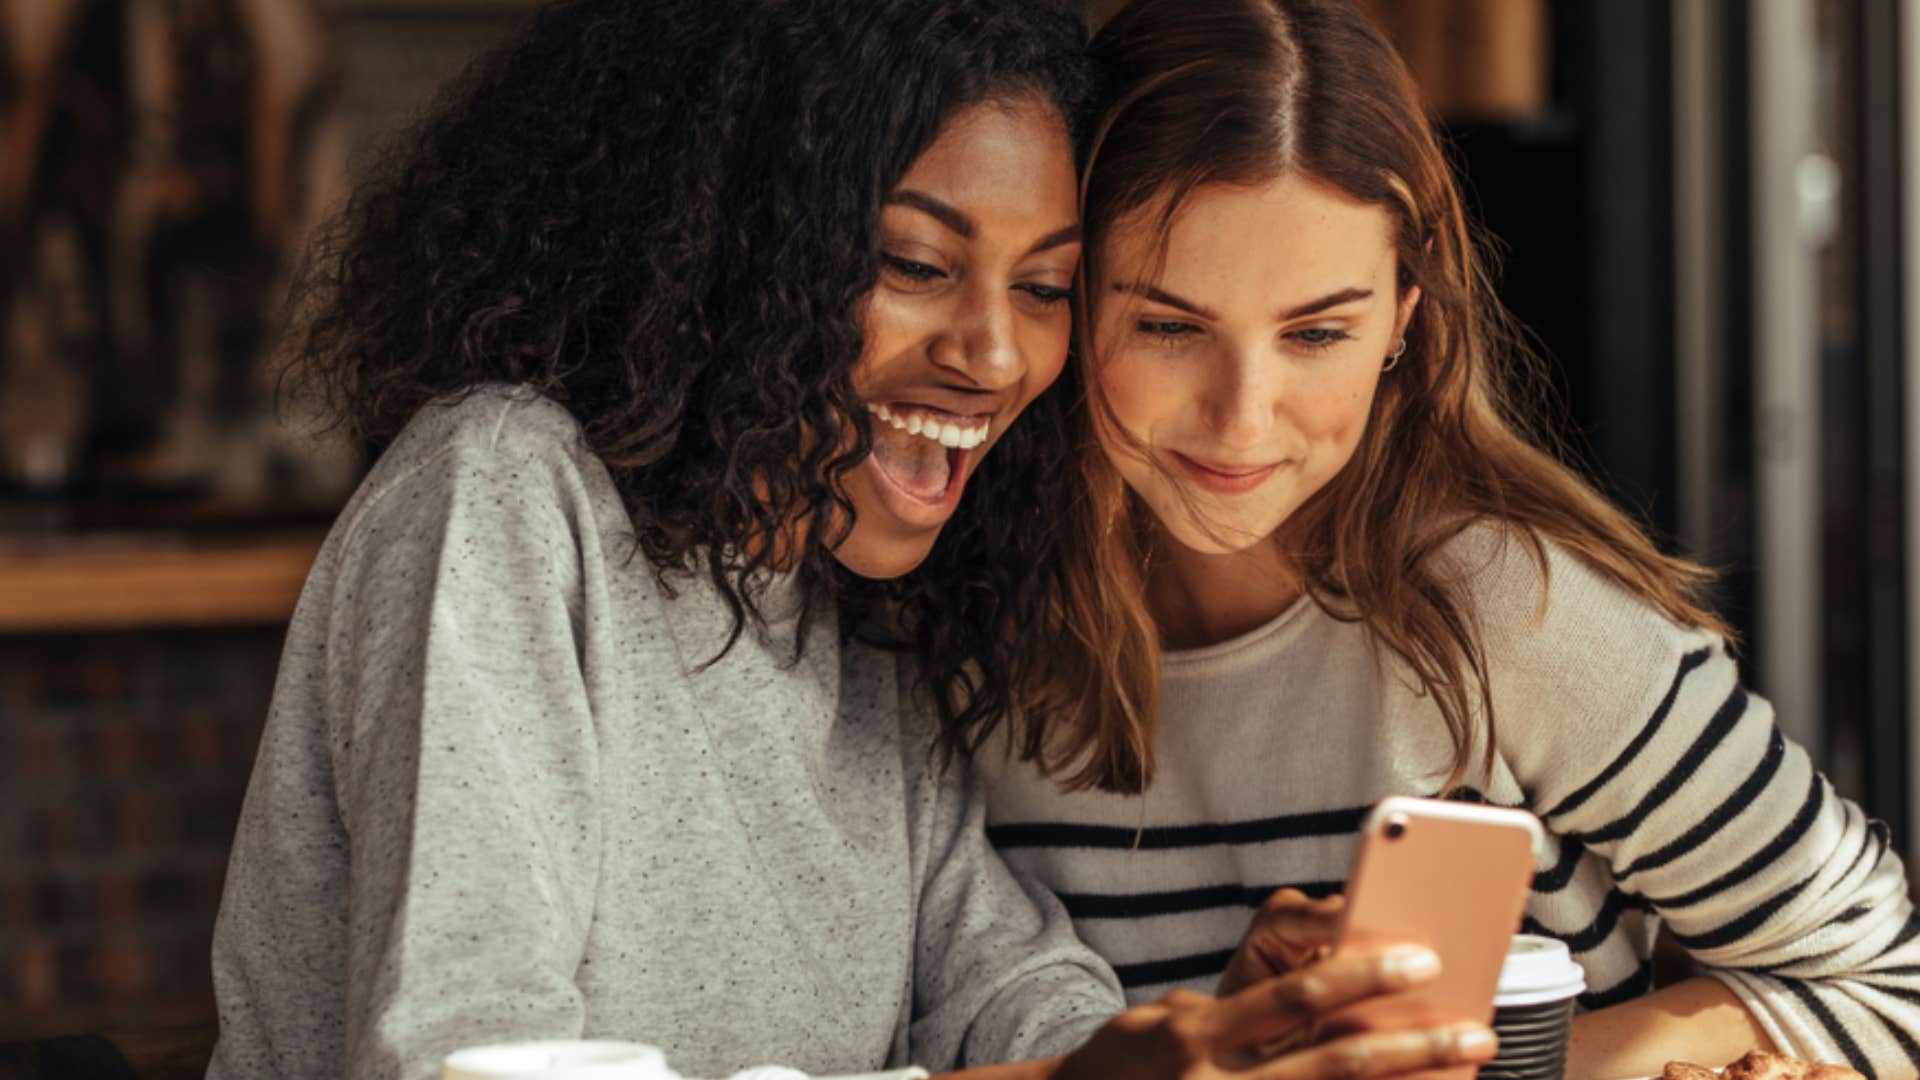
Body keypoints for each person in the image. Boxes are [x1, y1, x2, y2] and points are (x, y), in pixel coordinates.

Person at [206, 1, 1498, 1078]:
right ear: (722, 243)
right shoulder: (505, 495)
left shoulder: (860, 598)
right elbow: (465, 1055)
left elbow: (1008, 990)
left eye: (1045, 287)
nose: (994, 353)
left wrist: (1199, 1044)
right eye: (914, 262)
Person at [964, 2, 1920, 1078]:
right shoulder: (959, 645)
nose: (1243, 416)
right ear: (1064, 294)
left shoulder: (1509, 613)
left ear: (1403, 325)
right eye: (1168, 325)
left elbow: (1886, 980)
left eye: (1318, 332)